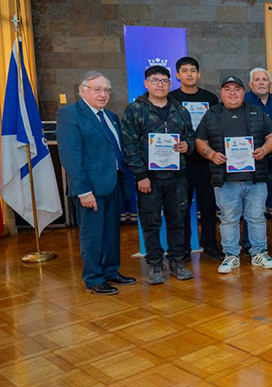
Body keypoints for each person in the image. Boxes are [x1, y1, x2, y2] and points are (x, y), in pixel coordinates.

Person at [57, 71, 136, 295]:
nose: (103, 94)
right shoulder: (70, 114)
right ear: (83, 90)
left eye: (106, 90)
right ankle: (93, 278)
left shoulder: (110, 116)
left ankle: (111, 270)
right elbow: (71, 157)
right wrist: (83, 191)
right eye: (97, 89)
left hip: (113, 183)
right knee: (92, 235)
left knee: (111, 232)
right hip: (90, 188)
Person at [195, 76, 272, 274]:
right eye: (227, 89)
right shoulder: (212, 114)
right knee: (229, 219)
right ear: (221, 93)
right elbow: (200, 140)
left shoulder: (255, 111)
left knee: (257, 218)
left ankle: (259, 253)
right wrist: (211, 154)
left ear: (243, 92)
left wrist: (265, 150)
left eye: (236, 89)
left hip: (255, 178)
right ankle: (231, 256)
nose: (232, 93)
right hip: (225, 180)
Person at [122, 65, 195, 284]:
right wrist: (140, 175)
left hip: (178, 177)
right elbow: (129, 145)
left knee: (178, 221)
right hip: (149, 179)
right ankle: (154, 264)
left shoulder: (180, 110)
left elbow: (190, 136)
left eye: (164, 81)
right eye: (155, 80)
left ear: (171, 84)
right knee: (151, 222)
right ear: (146, 84)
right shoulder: (135, 110)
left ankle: (176, 261)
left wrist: (187, 146)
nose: (160, 84)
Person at [169, 56, 222, 261]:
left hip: (207, 163)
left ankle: (210, 244)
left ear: (199, 74)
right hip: (181, 163)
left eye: (193, 70)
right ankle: (182, 248)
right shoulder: (171, 99)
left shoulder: (210, 98)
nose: (189, 74)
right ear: (177, 75)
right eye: (185, 70)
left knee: (209, 206)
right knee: (181, 207)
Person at [244, 67, 272, 254]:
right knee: (252, 206)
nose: (261, 82)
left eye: (264, 79)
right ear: (250, 84)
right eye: (257, 80)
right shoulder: (243, 101)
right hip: (251, 164)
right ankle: (249, 242)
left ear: (270, 83)